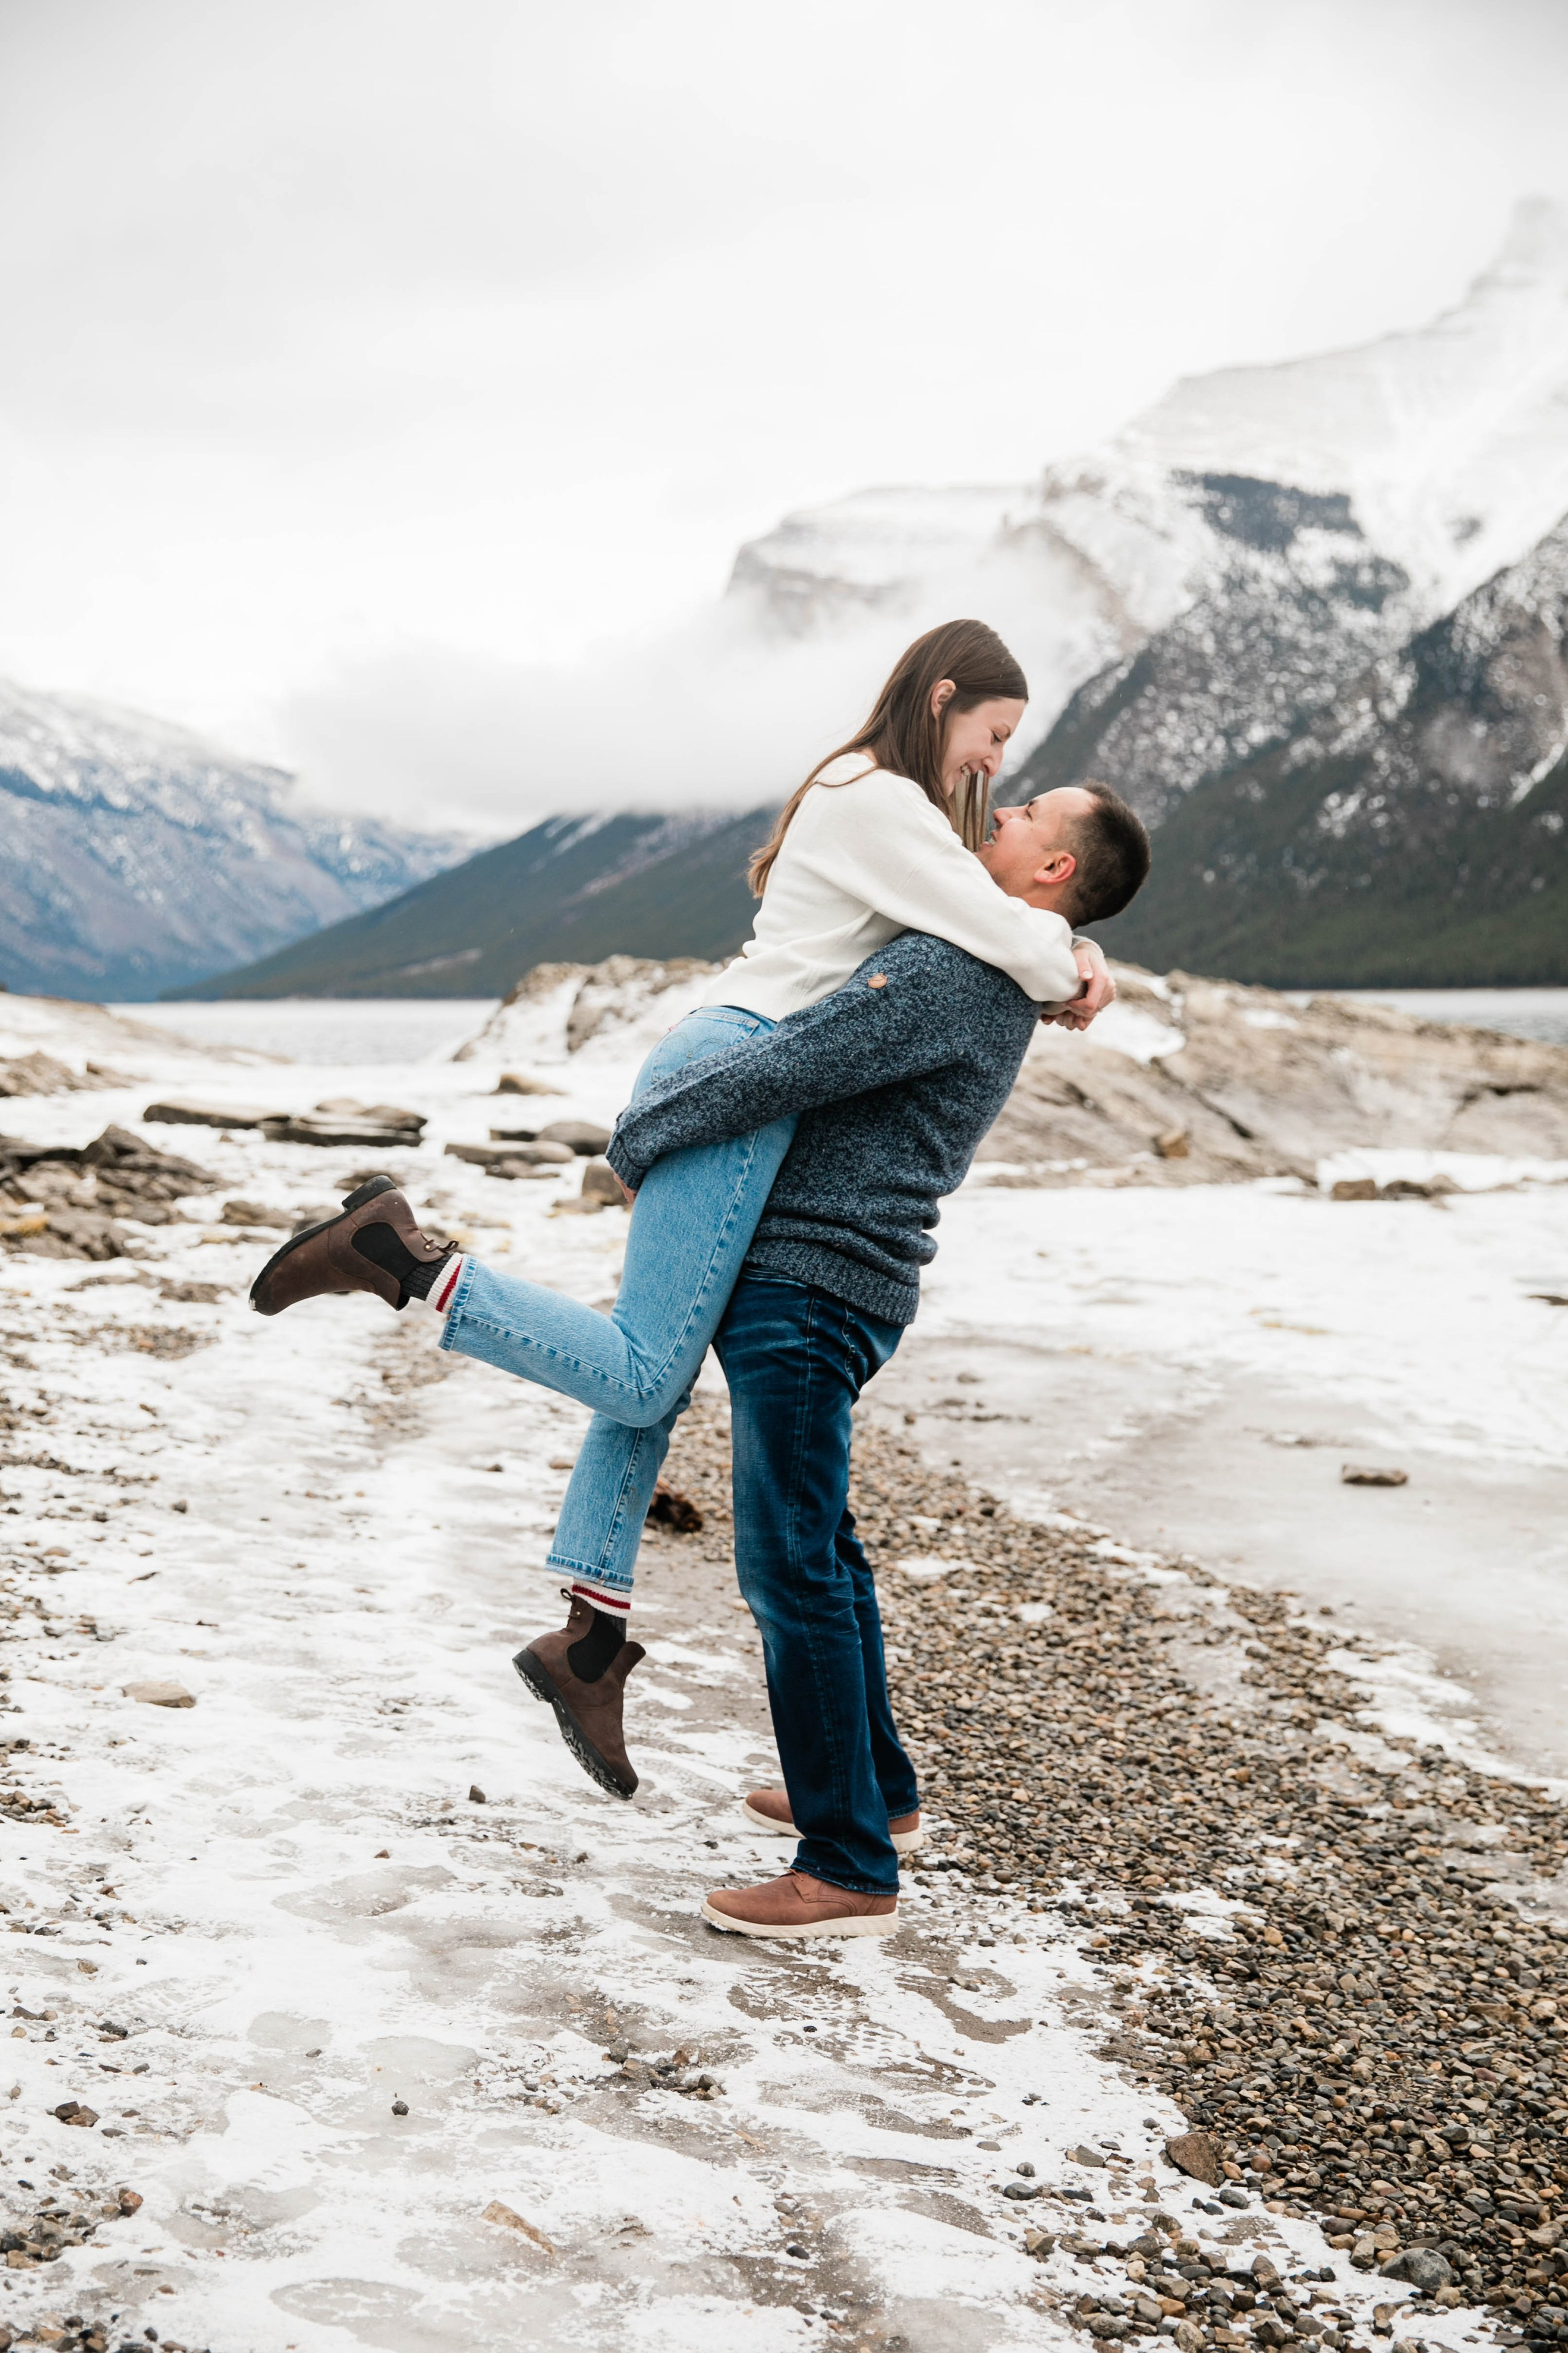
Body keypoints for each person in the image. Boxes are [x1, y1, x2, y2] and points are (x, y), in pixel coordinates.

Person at [249, 620, 1114, 1793]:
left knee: (652, 1363)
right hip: (746, 1069)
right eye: (995, 735)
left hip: (742, 1064)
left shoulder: (883, 799)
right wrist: (1077, 963)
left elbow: (999, 917)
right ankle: (399, 1259)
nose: (995, 765)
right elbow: (1004, 930)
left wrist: (1068, 947)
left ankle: (591, 1641)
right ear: (943, 696)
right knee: (644, 1370)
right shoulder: (879, 800)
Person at [599, 782, 1151, 1936]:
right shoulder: (999, 959)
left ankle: (846, 1865)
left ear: (1053, 868)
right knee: (827, 1551)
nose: (1001, 808)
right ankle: (875, 1795)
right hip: (844, 1279)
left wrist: (642, 1137)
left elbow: (792, 1062)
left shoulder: (955, 971)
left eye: (1028, 811)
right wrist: (1082, 955)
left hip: (809, 1283)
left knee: (790, 1564)